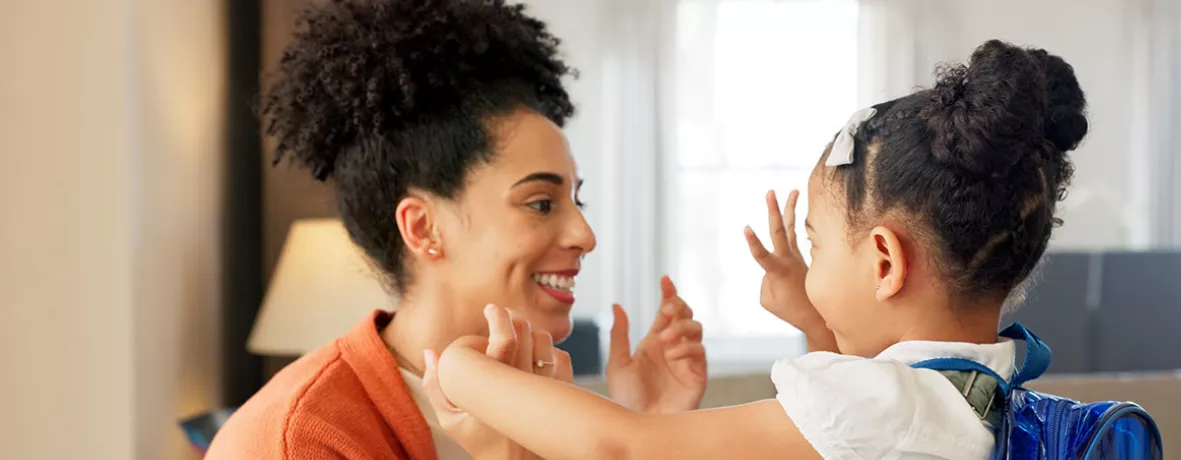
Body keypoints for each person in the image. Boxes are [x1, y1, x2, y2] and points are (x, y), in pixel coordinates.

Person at [426, 39, 1089, 460]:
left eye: (816, 245)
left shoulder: (884, 409)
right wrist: (813, 316)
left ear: (885, 263)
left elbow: (621, 449)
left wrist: (459, 367)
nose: (809, 268)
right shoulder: (981, 399)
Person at [205, 0, 708, 459]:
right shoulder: (299, 440)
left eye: (577, 200)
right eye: (540, 203)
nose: (585, 235)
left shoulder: (549, 408)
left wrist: (650, 429)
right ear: (423, 228)